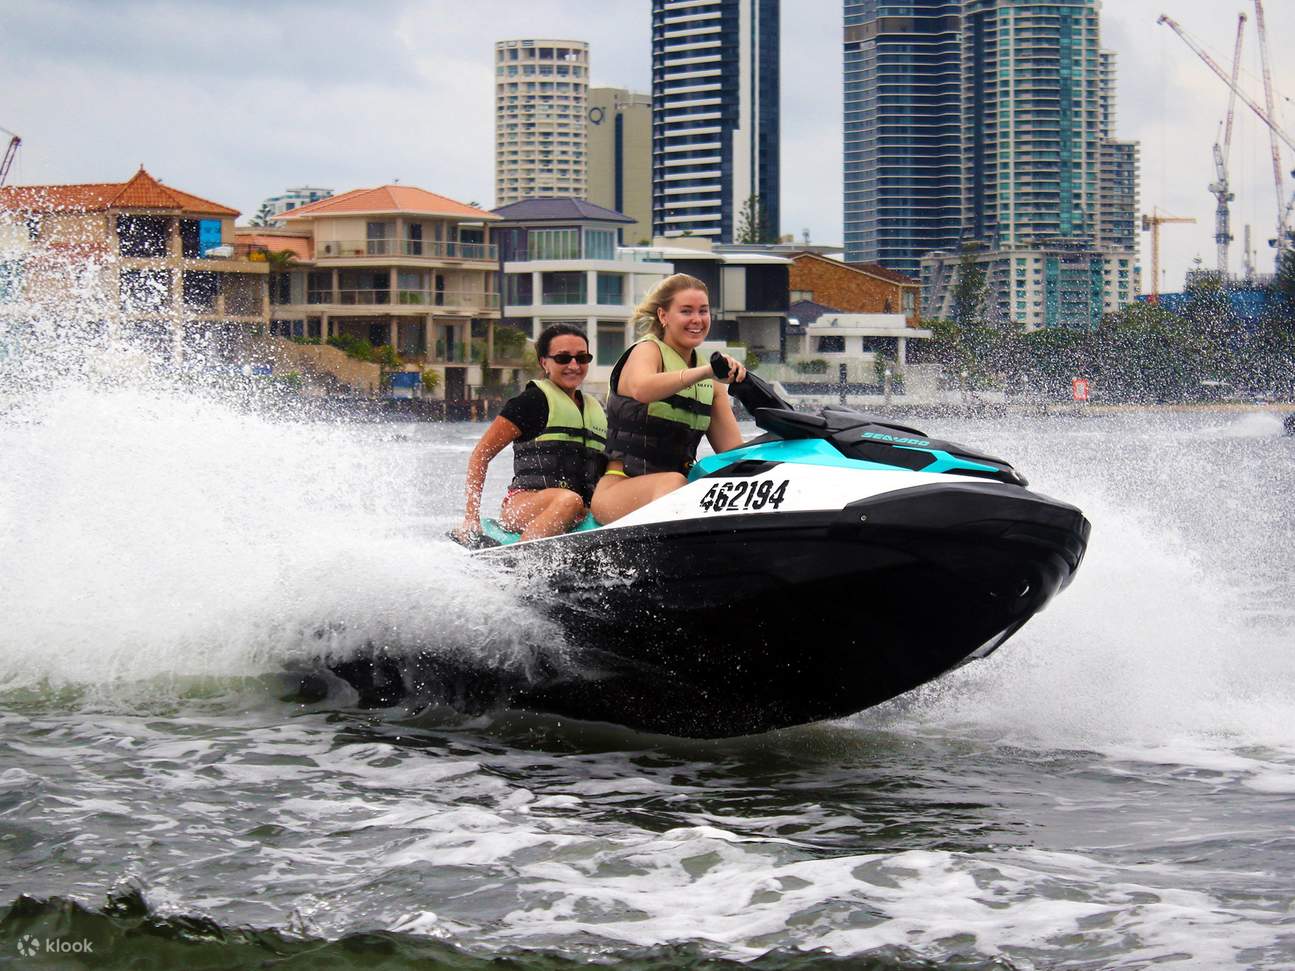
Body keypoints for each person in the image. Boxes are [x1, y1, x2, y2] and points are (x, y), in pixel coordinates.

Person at [591, 273, 746, 525]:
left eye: (703, 311)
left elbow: (732, 453)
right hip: (618, 489)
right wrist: (707, 371)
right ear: (663, 316)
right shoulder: (647, 350)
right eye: (686, 311)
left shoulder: (711, 383)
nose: (697, 320)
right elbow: (642, 388)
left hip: (674, 491)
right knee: (674, 482)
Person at [457, 323, 607, 542]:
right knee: (569, 500)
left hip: (578, 510)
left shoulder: (596, 409)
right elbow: (481, 454)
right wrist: (471, 517)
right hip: (523, 505)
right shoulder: (531, 402)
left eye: (582, 358)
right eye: (563, 358)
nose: (574, 365)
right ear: (544, 362)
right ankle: (521, 561)